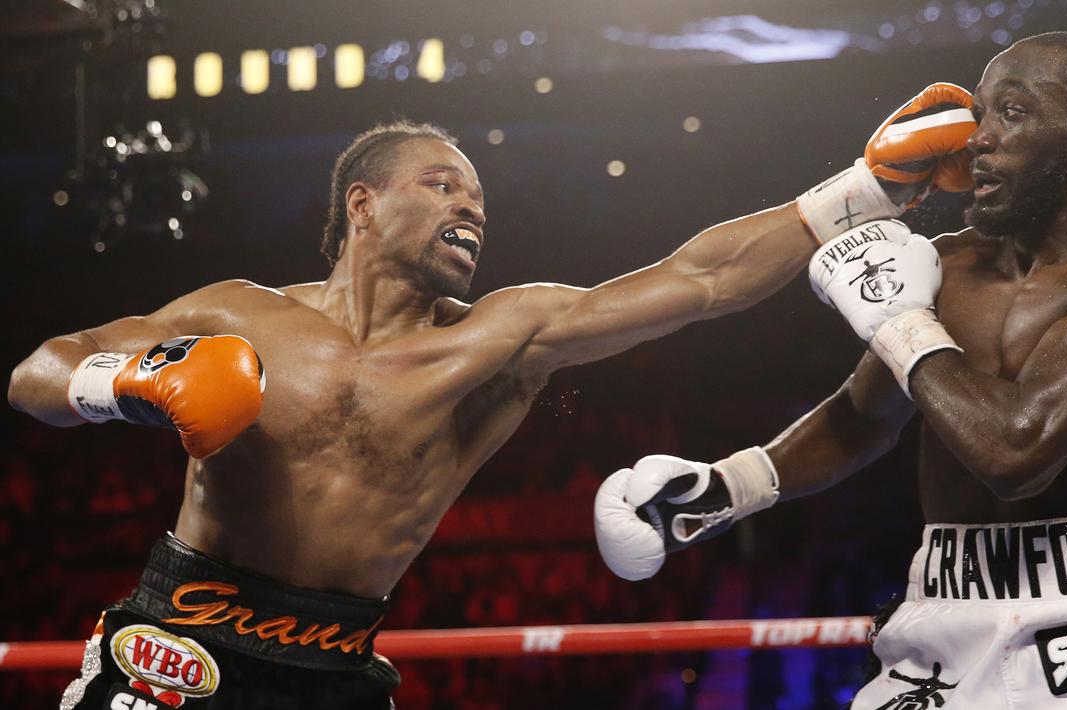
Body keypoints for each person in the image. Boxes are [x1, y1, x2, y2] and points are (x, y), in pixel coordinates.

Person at [8, 89, 975, 707]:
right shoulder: (238, 313)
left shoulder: (498, 338)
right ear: (363, 204)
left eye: (477, 199)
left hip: (333, 670)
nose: (471, 208)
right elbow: (39, 371)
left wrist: (862, 188)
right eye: (442, 186)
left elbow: (699, 280)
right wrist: (125, 383)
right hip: (177, 643)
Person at [595, 32, 1067, 708]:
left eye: (1011, 113)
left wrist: (900, 324)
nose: (976, 138)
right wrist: (727, 488)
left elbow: (1018, 452)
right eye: (978, 113)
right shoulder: (946, 263)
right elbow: (863, 418)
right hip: (943, 624)